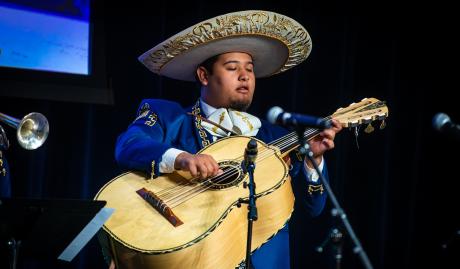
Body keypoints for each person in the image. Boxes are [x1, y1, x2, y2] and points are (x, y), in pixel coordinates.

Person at [110, 10, 342, 269]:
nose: (245, 76)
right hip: (193, 259)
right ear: (203, 75)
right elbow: (128, 146)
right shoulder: (167, 116)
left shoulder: (274, 138)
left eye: (250, 70)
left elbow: (314, 208)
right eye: (232, 68)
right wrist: (182, 158)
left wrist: (315, 161)